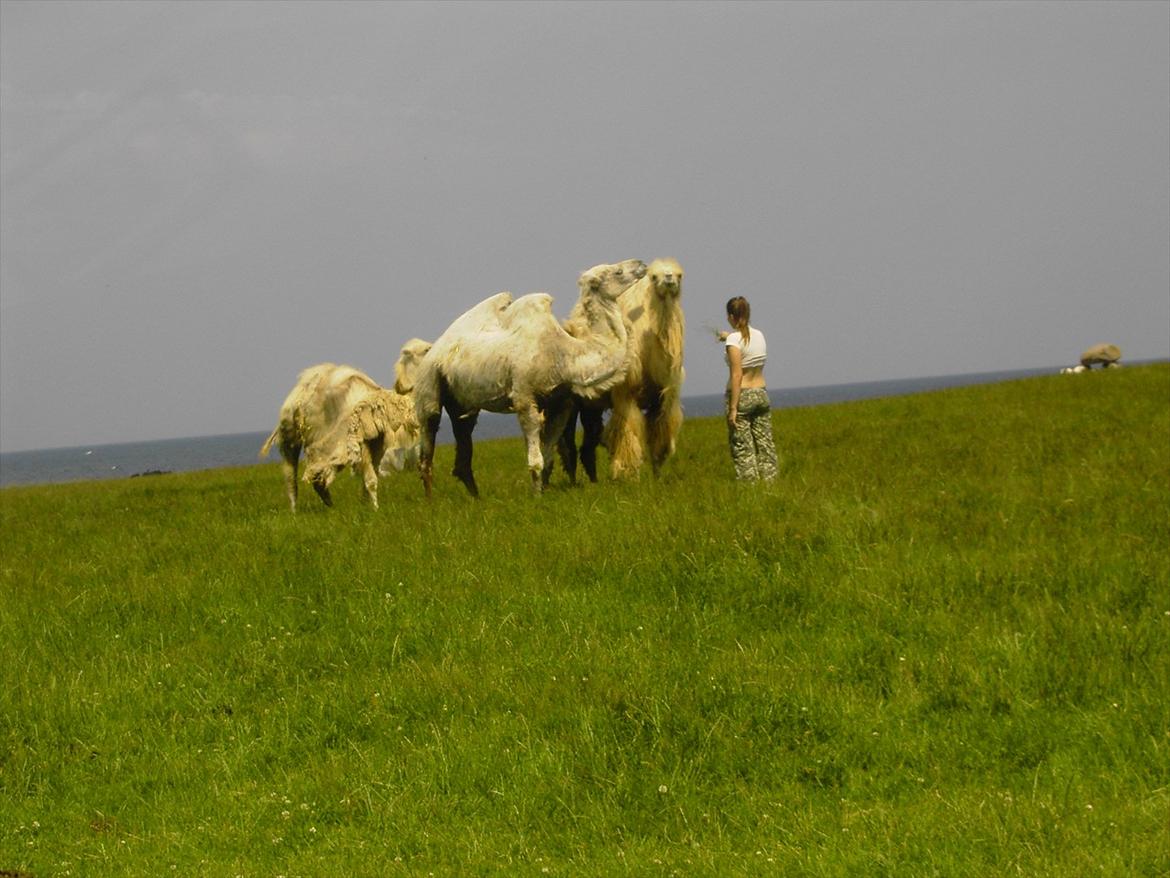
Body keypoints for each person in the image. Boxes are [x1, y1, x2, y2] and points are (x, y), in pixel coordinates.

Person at [721, 296, 778, 481]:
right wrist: (727, 338)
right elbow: (747, 346)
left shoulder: (733, 340)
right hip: (761, 393)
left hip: (742, 396)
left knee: (743, 448)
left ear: (731, 316)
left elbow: (737, 375)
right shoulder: (760, 335)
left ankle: (749, 488)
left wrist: (733, 408)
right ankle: (770, 483)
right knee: (765, 445)